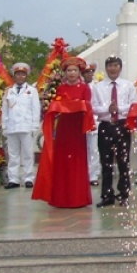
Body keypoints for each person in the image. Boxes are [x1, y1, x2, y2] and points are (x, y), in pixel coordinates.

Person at [32, 56, 94, 208]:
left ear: (79, 72)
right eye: (69, 70)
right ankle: (61, 197)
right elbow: (57, 106)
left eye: (74, 70)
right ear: (65, 73)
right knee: (62, 161)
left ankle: (78, 197)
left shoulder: (85, 88)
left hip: (77, 128)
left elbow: (88, 106)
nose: (72, 73)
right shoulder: (61, 88)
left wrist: (75, 105)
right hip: (64, 128)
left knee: (77, 161)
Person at [91, 56, 136, 207]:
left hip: (122, 125)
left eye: (116, 65)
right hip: (105, 126)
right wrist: (107, 110)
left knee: (123, 162)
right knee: (106, 162)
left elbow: (133, 105)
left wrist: (119, 109)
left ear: (120, 68)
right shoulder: (98, 87)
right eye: (110, 66)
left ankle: (124, 194)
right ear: (106, 68)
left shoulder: (128, 85)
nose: (113, 68)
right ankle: (107, 195)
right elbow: (94, 107)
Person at [1, 62, 41, 189]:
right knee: (13, 154)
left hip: (26, 126)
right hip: (12, 127)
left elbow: (36, 109)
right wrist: (4, 126)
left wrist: (34, 126)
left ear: (26, 76)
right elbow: (5, 110)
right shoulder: (8, 91)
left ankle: (29, 178)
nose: (20, 76)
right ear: (14, 75)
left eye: (22, 74)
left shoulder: (32, 91)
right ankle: (13, 179)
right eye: (17, 74)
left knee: (28, 154)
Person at [82, 62, 101, 186]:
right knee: (82, 150)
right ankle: (83, 174)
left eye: (91, 72)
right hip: (81, 121)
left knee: (94, 149)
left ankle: (93, 175)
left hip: (93, 121)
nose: (89, 74)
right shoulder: (79, 86)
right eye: (87, 72)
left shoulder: (97, 87)